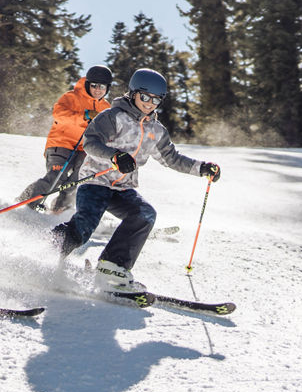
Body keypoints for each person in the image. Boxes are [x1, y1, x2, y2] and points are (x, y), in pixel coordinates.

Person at [51, 68, 221, 292]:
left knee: (144, 214)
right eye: (145, 97)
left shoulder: (156, 130)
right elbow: (90, 142)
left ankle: (113, 267)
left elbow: (172, 158)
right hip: (96, 182)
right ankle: (48, 249)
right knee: (84, 226)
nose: (150, 103)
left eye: (156, 100)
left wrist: (202, 168)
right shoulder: (112, 117)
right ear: (133, 93)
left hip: (123, 188)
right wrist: (114, 156)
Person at [18, 65, 113, 212]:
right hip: (61, 144)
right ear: (88, 84)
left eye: (102, 86)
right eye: (94, 85)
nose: (98, 90)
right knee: (57, 177)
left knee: (78, 179)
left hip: (85, 149)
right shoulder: (72, 97)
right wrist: (84, 116)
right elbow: (58, 114)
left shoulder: (106, 108)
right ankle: (26, 202)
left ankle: (60, 209)